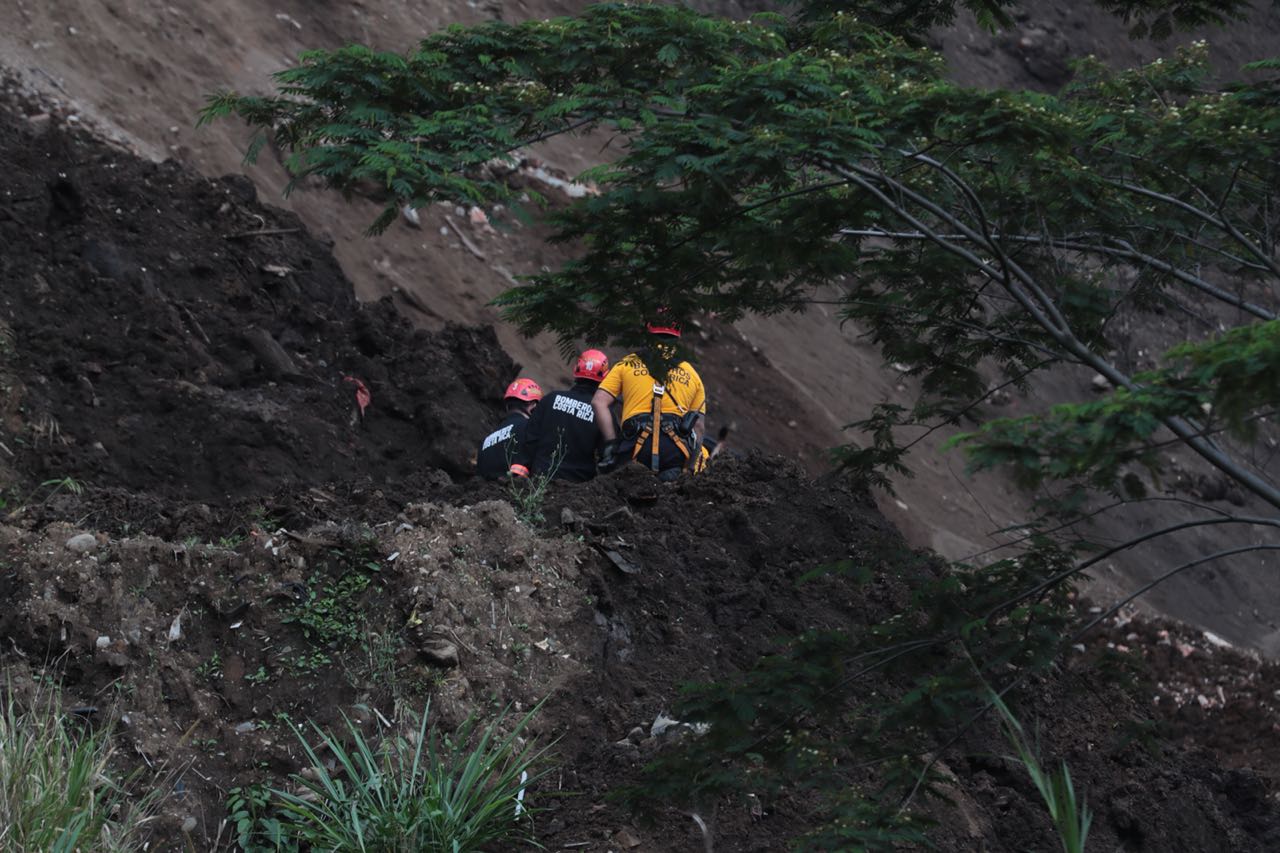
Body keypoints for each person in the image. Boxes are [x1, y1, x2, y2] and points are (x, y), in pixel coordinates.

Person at [592, 316, 707, 481]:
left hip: (635, 447)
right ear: (678, 335)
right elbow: (699, 427)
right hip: (674, 451)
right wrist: (688, 469)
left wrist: (611, 443)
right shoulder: (692, 374)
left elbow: (598, 402)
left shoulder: (628, 363)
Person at [509, 349, 611, 482]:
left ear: (576, 371)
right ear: (605, 378)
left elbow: (529, 439)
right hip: (579, 491)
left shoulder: (550, 400)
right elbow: (609, 456)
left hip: (540, 482)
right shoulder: (604, 414)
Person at [476, 378, 542, 480]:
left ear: (507, 406)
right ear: (533, 406)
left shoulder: (485, 442)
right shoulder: (530, 428)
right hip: (512, 493)